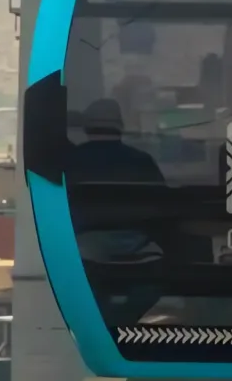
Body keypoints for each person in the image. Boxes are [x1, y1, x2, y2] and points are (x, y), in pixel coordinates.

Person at [67, 99, 167, 325]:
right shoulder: (141, 160)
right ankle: (121, 322)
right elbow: (161, 205)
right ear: (120, 126)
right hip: (138, 246)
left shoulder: (71, 160)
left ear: (87, 127)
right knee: (157, 280)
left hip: (86, 247)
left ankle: (104, 323)